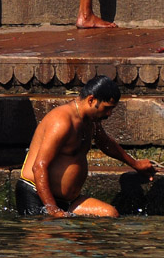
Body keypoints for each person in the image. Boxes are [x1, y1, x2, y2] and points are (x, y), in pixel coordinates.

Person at [18, 76, 155, 217]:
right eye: (107, 108)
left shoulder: (91, 121)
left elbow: (105, 143)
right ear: (91, 100)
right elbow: (39, 166)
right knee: (58, 235)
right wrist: (53, 209)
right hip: (37, 196)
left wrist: (135, 164)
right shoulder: (61, 121)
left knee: (110, 214)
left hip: (69, 200)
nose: (109, 114)